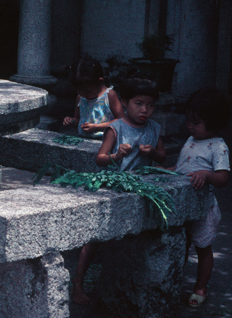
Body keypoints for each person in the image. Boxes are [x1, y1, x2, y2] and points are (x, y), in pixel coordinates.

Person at [72, 75, 166, 305]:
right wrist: (117, 155)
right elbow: (100, 158)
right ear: (124, 102)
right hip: (114, 185)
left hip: (140, 188)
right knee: (96, 236)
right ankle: (78, 284)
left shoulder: (154, 128)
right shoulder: (116, 128)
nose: (145, 110)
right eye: (138, 103)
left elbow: (163, 156)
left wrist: (151, 152)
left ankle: (132, 287)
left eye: (150, 105)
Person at [170, 88, 230, 308]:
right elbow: (182, 168)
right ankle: (174, 281)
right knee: (180, 244)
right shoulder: (191, 139)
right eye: (188, 120)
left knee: (203, 248)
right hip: (183, 204)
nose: (190, 125)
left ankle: (200, 287)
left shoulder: (218, 146)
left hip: (203, 208)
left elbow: (223, 178)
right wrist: (164, 171)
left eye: (196, 122)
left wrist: (206, 174)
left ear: (213, 123)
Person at [63, 59, 124, 139]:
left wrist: (97, 127)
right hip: (84, 140)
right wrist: (71, 121)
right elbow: (77, 119)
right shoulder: (81, 97)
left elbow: (121, 120)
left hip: (106, 142)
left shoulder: (109, 96)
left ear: (100, 82)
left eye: (87, 91)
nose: (84, 94)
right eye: (79, 91)